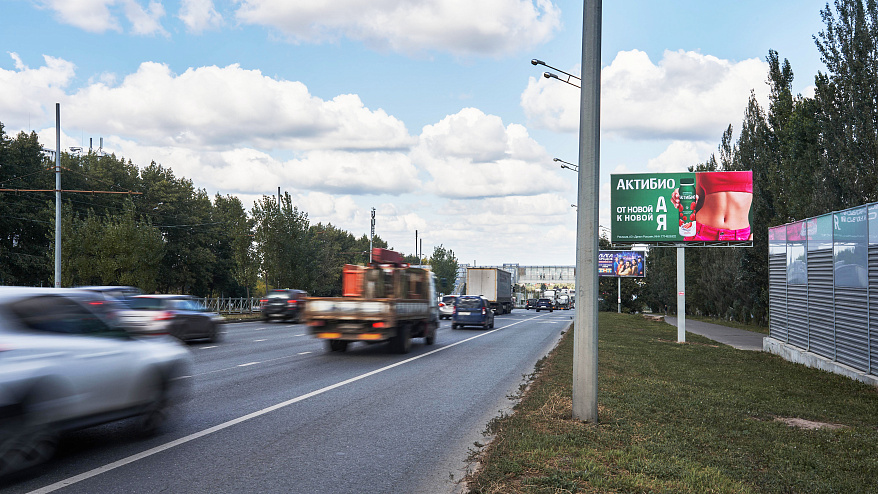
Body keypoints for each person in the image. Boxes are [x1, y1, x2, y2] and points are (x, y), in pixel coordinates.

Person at [672, 170, 753, 241]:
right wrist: (685, 196)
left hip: (739, 236)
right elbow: (699, 197)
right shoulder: (704, 160)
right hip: (701, 233)